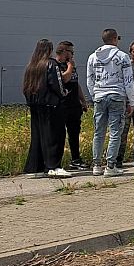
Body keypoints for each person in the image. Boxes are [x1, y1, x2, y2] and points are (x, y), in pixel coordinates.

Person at [86, 28, 134, 177]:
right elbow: (128, 81)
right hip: (117, 95)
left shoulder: (93, 57)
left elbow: (90, 79)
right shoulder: (123, 57)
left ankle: (96, 165)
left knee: (98, 132)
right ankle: (110, 165)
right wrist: (131, 100)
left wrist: (94, 95)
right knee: (115, 132)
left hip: (100, 95)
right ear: (114, 39)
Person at [22, 39, 71, 178]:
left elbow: (26, 87)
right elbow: (57, 83)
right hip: (51, 105)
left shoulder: (31, 66)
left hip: (35, 105)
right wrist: (63, 94)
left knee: (38, 136)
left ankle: (35, 167)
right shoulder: (51, 64)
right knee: (55, 135)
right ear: (49, 50)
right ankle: (53, 166)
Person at [55, 41, 89, 171]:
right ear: (64, 51)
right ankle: (56, 162)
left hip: (75, 105)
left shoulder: (71, 66)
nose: (73, 55)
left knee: (74, 133)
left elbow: (75, 83)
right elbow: (65, 79)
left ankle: (76, 159)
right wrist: (69, 66)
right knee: (60, 134)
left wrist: (83, 100)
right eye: (71, 52)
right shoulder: (56, 66)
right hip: (63, 105)